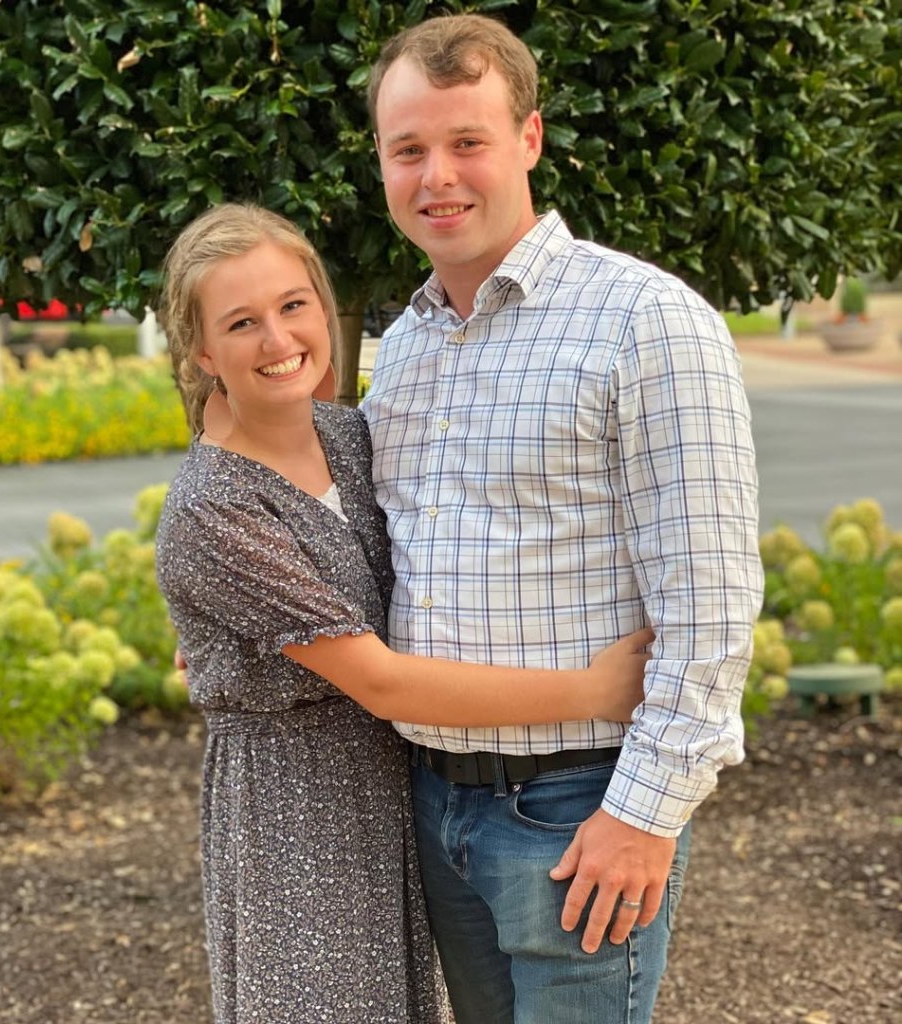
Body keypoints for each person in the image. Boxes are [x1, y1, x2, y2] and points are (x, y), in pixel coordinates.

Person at [152, 202, 655, 1024]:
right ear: (203, 350)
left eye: (293, 306)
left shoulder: (350, 435)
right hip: (295, 820)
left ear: (323, 305)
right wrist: (595, 693)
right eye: (242, 323)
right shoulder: (213, 510)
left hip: (398, 798)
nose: (279, 342)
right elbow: (381, 682)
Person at [362, 13, 764, 1024]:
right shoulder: (402, 346)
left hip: (577, 803)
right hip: (433, 797)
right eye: (408, 149)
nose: (436, 175)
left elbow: (711, 603)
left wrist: (642, 816)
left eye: (467, 142)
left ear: (529, 141)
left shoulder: (646, 321)